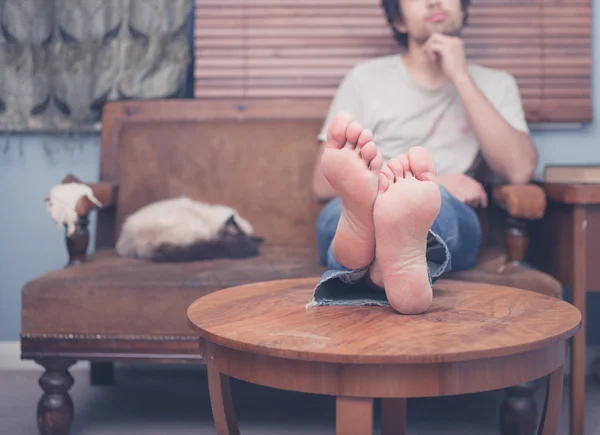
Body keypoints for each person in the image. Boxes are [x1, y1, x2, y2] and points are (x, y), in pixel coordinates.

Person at [307, 0, 538, 314]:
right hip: (373, 196)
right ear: (399, 20)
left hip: (448, 207)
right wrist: (434, 180)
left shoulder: (497, 84)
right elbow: (322, 185)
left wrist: (460, 76)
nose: (434, 1)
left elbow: (519, 169)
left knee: (432, 202)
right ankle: (388, 261)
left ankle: (373, 261)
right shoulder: (364, 79)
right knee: (343, 213)